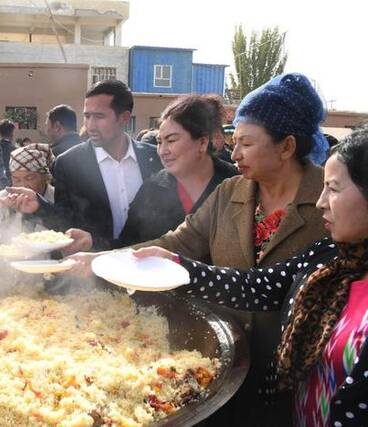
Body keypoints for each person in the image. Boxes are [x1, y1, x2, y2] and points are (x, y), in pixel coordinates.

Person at [67, 72, 331, 426]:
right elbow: (178, 242)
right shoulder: (231, 193)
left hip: (295, 372)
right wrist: (102, 259)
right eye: (233, 142)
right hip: (229, 357)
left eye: (247, 144)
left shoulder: (329, 202)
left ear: (286, 147)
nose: (234, 154)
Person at [134, 126, 368, 427]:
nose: (321, 201)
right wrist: (180, 267)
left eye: (334, 189)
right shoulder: (331, 255)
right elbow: (259, 286)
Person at [4, 80, 163, 251]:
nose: (90, 125)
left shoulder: (155, 157)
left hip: (150, 265)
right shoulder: (69, 163)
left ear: (124, 118)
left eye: (99, 117)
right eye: (87, 116)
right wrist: (39, 206)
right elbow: (66, 221)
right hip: (93, 267)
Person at [119, 95, 239, 246]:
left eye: (171, 141)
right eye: (159, 142)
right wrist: (92, 244)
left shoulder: (236, 186)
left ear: (202, 142)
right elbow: (125, 247)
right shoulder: (151, 189)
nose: (162, 151)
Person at [0, 143, 55, 239]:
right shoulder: (1, 198)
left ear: (44, 177)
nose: (23, 186)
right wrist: (9, 212)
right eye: (17, 180)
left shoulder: (57, 197)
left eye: (29, 178)